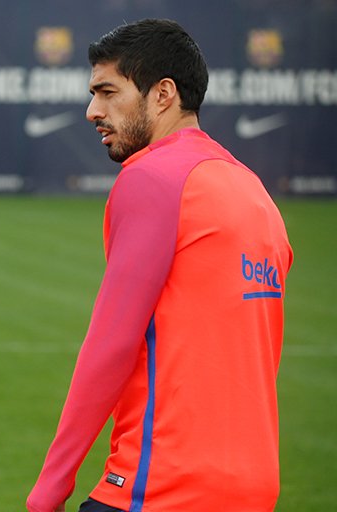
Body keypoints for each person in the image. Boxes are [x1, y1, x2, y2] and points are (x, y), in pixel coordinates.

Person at [26, 19, 293, 512]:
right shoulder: (253, 192)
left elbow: (111, 343)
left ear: (163, 93)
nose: (92, 111)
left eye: (108, 92)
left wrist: (53, 482)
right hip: (253, 487)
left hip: (161, 483)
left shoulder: (152, 177)